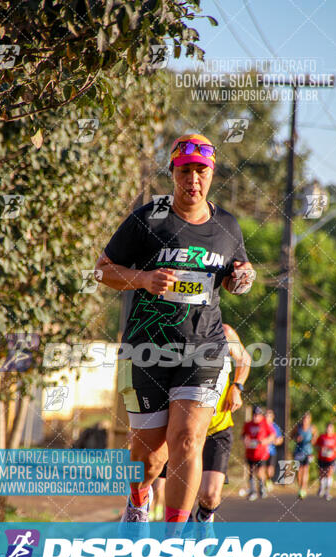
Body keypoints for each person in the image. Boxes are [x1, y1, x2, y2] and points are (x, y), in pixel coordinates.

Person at [96, 133, 254, 525]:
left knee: (186, 439)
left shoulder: (227, 226)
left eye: (201, 171)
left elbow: (238, 276)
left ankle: (175, 541)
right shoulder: (149, 217)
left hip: (204, 347)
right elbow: (102, 270)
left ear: (212, 174)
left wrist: (243, 278)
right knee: (149, 459)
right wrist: (143, 279)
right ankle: (138, 499)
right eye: (185, 171)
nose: (193, 179)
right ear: (173, 172)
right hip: (147, 348)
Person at [153, 323, 251, 526]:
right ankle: (180, 536)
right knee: (180, 495)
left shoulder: (224, 332)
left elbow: (244, 359)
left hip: (217, 428)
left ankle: (204, 518)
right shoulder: (173, 331)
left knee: (210, 495)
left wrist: (237, 387)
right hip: (181, 429)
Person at [242, 406, 275, 501]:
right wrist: (245, 440)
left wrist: (265, 441)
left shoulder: (265, 424)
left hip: (261, 453)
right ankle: (253, 491)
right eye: (254, 415)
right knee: (251, 471)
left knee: (260, 471)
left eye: (258, 415)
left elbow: (272, 435)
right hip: (250, 452)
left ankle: (261, 487)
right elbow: (243, 435)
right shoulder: (248, 424)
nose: (256, 417)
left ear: (261, 416)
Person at [291, 412, 317, 499]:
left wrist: (313, 440)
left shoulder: (312, 428)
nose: (305, 420)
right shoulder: (298, 427)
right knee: (299, 471)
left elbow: (316, 436)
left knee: (305, 470)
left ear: (310, 420)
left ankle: (303, 488)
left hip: (308, 452)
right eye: (304, 418)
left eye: (307, 419)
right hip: (298, 451)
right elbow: (291, 436)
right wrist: (296, 439)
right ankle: (300, 487)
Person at [315, 422, 336, 501]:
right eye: (327, 428)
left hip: (331, 458)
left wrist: (334, 449)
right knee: (322, 474)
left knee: (329, 473)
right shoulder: (322, 437)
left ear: (333, 429)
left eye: (330, 428)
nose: (328, 429)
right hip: (322, 458)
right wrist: (321, 449)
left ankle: (328, 491)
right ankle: (322, 488)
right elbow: (316, 446)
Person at [264, 409, 284, 492]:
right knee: (261, 468)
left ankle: (267, 480)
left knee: (270, 470)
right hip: (262, 452)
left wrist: (276, 441)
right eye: (266, 416)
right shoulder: (262, 426)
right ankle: (263, 483)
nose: (267, 418)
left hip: (271, 451)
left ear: (272, 417)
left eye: (269, 416)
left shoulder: (275, 427)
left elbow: (280, 439)